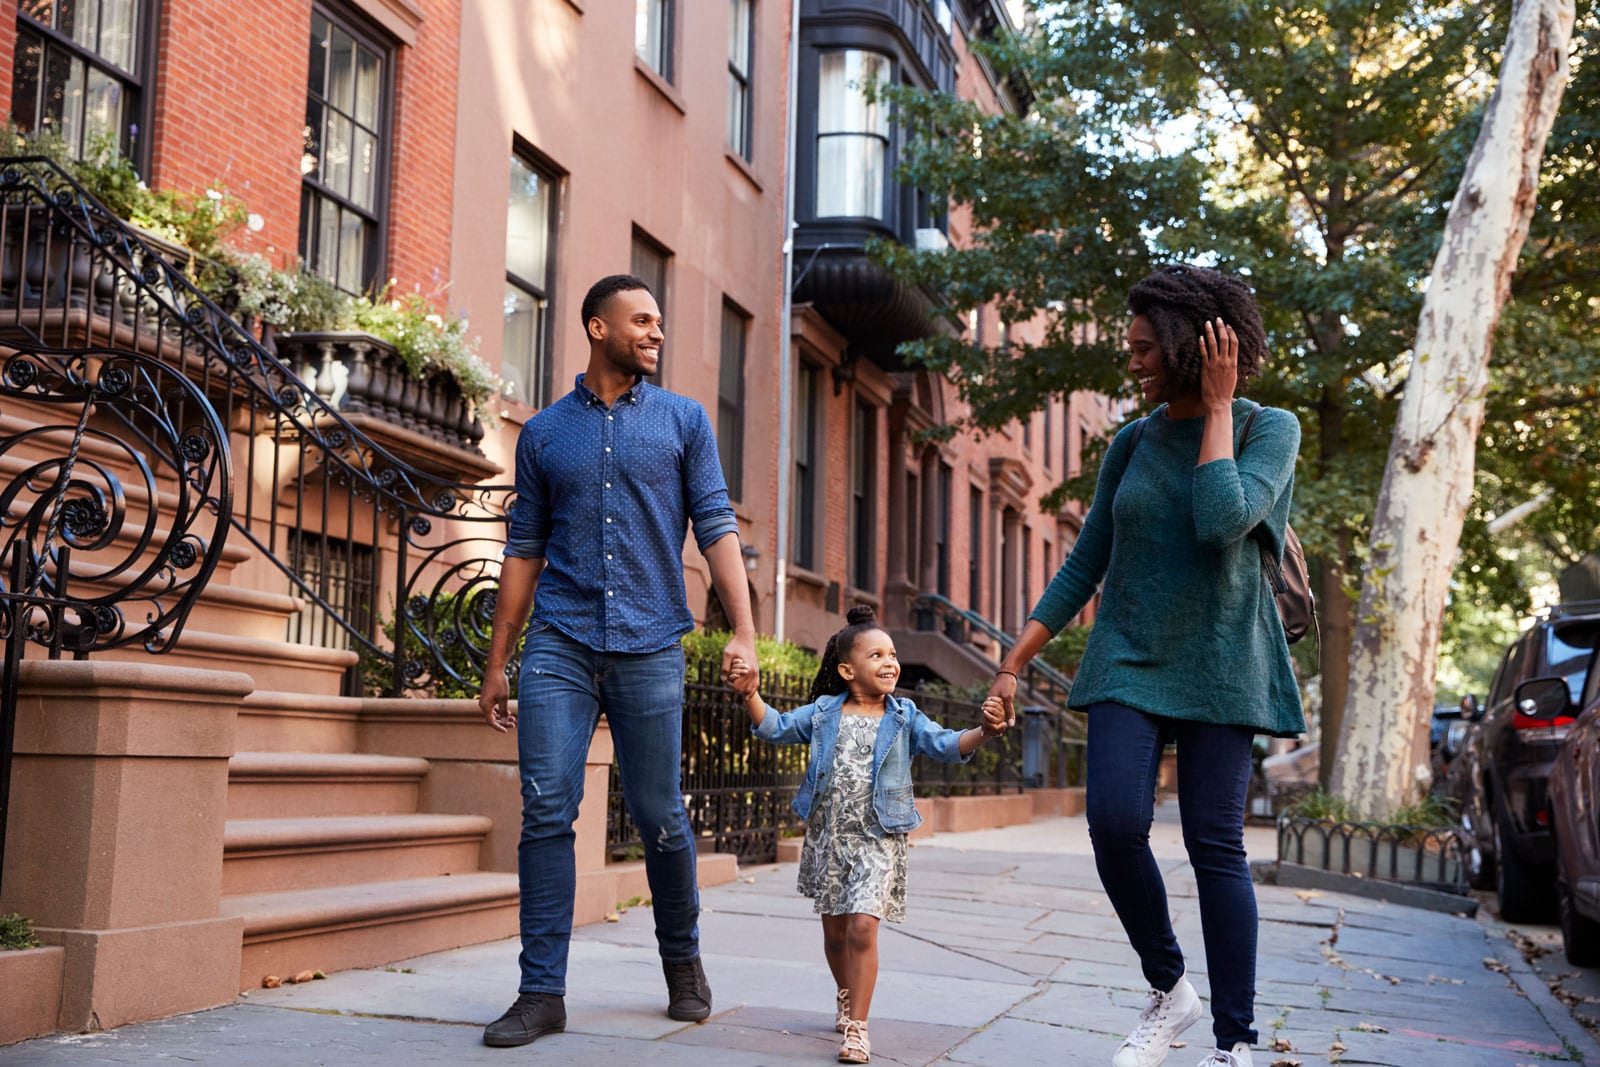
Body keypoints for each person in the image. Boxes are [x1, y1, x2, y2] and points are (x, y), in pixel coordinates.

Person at [988, 266, 1304, 1067]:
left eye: (1144, 347)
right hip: (1128, 655)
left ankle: (1234, 1040)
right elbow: (1085, 560)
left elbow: (1222, 519)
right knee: (1116, 822)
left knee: (1215, 846)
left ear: (1197, 348)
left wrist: (1222, 409)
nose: (1131, 362)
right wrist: (1011, 661)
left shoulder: (1272, 431)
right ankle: (1170, 987)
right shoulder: (1131, 441)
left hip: (1226, 662)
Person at [477, 274, 761, 1048]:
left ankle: (682, 961)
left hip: (649, 641)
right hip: (561, 642)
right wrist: (498, 660)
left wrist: (743, 628)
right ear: (597, 328)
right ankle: (541, 993)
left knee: (661, 815)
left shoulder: (683, 421)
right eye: (642, 320)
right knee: (545, 810)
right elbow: (522, 550)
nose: (656, 332)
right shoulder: (542, 434)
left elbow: (715, 524)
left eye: (660, 322)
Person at [727, 605, 1009, 1064]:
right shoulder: (822, 714)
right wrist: (750, 694)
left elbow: (945, 744)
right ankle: (845, 993)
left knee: (862, 928)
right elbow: (774, 728)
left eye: (892, 654)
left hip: (879, 838)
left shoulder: (904, 716)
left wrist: (984, 731)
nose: (890, 662)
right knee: (836, 936)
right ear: (847, 669)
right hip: (829, 838)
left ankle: (858, 1028)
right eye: (876, 654)